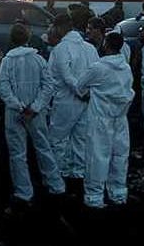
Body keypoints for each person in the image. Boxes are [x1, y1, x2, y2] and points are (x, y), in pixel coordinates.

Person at [0, 23, 64, 207]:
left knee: (17, 153)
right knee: (43, 147)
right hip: (36, 113)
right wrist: (35, 107)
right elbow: (48, 85)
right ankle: (55, 184)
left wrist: (18, 106)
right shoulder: (39, 60)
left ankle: (24, 191)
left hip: (15, 113)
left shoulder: (7, 61)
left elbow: (3, 87)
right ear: (27, 38)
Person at [74, 32, 134, 209]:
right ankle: (118, 193)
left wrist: (90, 94)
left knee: (97, 157)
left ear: (106, 45)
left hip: (101, 118)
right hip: (121, 118)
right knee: (120, 156)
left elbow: (79, 87)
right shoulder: (126, 67)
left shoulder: (98, 68)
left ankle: (94, 197)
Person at [47, 13, 99, 187]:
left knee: (58, 139)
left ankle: (57, 177)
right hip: (87, 100)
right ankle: (77, 176)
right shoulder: (90, 48)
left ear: (61, 28)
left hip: (66, 100)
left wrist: (79, 90)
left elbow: (65, 75)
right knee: (80, 139)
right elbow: (96, 73)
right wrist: (88, 92)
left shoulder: (61, 49)